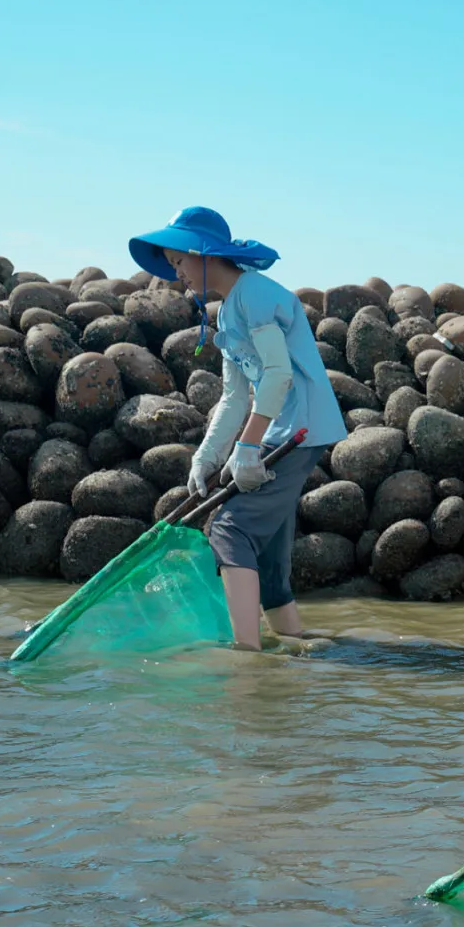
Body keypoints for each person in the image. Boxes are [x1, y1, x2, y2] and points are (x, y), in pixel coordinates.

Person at [128, 207, 348, 650]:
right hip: (278, 432)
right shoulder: (228, 312)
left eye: (179, 262)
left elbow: (278, 374)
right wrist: (207, 456)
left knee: (231, 530)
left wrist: (247, 447)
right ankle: (294, 641)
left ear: (204, 252)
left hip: (299, 431)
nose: (177, 275)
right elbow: (234, 398)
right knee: (264, 549)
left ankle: (247, 654)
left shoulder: (256, 295)